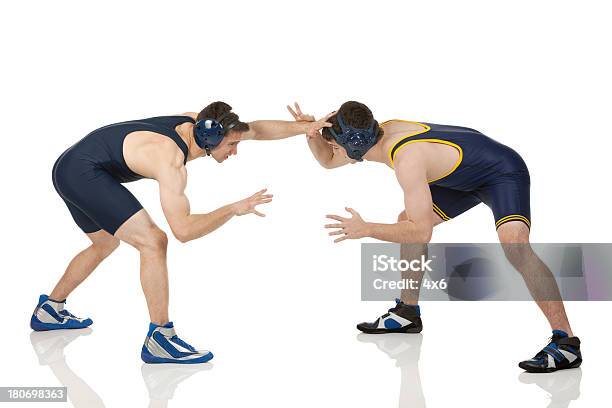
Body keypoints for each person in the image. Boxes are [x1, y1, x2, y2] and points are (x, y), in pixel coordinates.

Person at [32, 101, 331, 364]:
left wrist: (304, 127)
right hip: (83, 173)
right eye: (231, 146)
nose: (236, 151)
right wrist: (232, 208)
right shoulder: (170, 160)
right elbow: (183, 231)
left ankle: (49, 309)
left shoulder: (198, 122)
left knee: (105, 244)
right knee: (154, 241)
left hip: (71, 166)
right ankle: (160, 338)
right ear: (212, 140)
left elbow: (256, 130)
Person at [293, 101, 581, 373]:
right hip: (461, 175)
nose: (331, 145)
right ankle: (407, 313)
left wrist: (367, 229)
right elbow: (329, 161)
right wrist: (310, 133)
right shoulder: (378, 132)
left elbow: (422, 232)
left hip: (501, 172)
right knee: (405, 220)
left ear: (353, 148)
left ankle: (566, 343)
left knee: (515, 246)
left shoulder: (407, 158)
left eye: (334, 141)